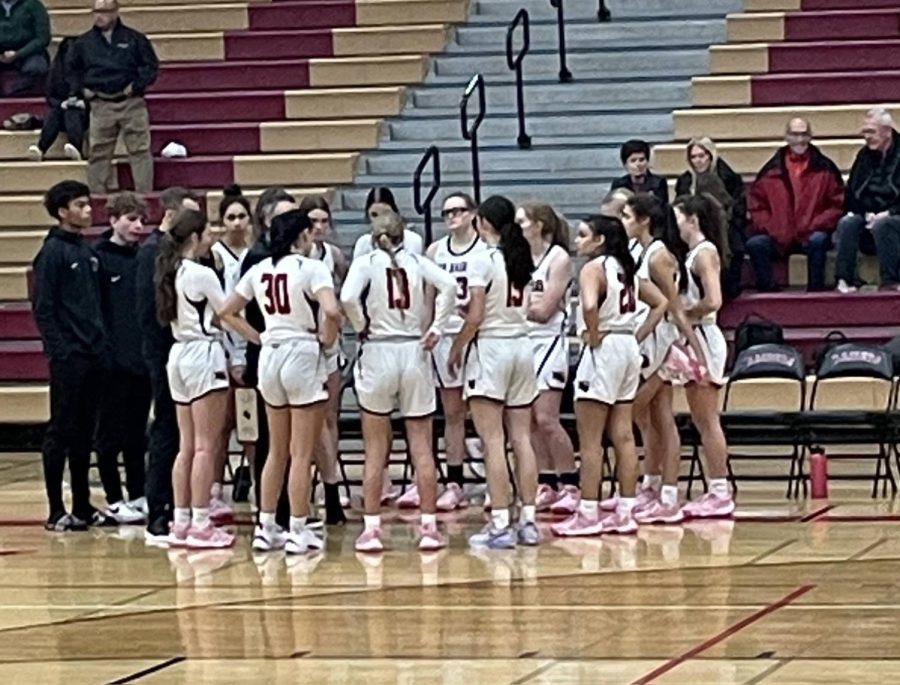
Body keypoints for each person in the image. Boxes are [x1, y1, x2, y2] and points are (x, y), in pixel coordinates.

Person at [222, 209, 341, 554]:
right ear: (301, 236)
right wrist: (327, 339)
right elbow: (332, 311)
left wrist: (257, 337)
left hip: (271, 355)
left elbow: (226, 312)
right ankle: (299, 530)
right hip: (302, 352)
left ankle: (266, 526)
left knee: (275, 448)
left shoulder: (259, 269)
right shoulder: (312, 268)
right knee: (301, 453)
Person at [341, 211, 457, 553]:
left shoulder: (365, 262)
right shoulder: (418, 261)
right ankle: (429, 527)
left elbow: (347, 297)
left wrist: (361, 323)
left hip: (378, 350)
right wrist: (437, 327)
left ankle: (372, 529)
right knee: (422, 446)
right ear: (403, 236)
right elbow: (449, 286)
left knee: (376, 448)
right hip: (413, 350)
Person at [550, 215, 667, 537]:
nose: (577, 240)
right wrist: (637, 334)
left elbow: (589, 303)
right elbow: (661, 303)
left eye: (583, 235)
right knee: (624, 435)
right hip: (628, 346)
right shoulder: (626, 267)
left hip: (604, 350)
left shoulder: (594, 268)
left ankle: (588, 512)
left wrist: (593, 331)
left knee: (590, 441)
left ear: (599, 240)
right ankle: (626, 511)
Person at [154, 208, 259, 549]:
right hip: (203, 355)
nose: (212, 238)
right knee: (205, 445)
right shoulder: (201, 274)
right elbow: (228, 314)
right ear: (195, 237)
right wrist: (261, 338)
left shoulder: (169, 269)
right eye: (208, 233)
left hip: (178, 354)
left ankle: (181, 520)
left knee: (186, 445)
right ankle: (201, 522)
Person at [447, 195, 540, 549]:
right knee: (522, 439)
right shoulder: (522, 257)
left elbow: (476, 316)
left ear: (483, 222)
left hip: (492, 348)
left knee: (493, 441)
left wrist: (457, 347)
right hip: (521, 345)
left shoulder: (481, 259)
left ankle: (500, 521)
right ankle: (528, 521)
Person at [620, 193, 706, 524]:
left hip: (661, 341)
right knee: (649, 419)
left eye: (628, 216)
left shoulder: (658, 256)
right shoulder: (634, 250)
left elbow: (674, 307)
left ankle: (669, 494)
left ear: (644, 220)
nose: (623, 221)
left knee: (653, 416)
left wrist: (696, 351)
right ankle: (652, 484)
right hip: (645, 340)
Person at [32, 180, 113, 530]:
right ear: (62, 211)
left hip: (95, 355)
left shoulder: (88, 252)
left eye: (88, 204)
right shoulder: (52, 253)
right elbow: (44, 308)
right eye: (80, 205)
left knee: (85, 432)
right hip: (70, 359)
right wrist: (60, 351)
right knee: (61, 431)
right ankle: (55, 509)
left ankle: (82, 503)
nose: (87, 210)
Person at [137, 186, 201, 544]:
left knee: (182, 434)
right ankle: (158, 509)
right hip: (165, 352)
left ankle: (180, 506)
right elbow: (149, 313)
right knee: (166, 429)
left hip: (179, 351)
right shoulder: (152, 254)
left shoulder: (179, 256)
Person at [671, 194, 735, 518]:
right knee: (701, 419)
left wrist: (685, 310)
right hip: (696, 335)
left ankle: (720, 490)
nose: (675, 223)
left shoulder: (704, 252)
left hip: (705, 335)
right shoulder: (695, 253)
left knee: (708, 420)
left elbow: (714, 300)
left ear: (692, 219)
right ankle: (717, 488)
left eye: (678, 216)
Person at [423, 191, 487, 512]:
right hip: (445, 336)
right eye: (446, 212)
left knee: (488, 412)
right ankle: (455, 481)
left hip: (478, 336)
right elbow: (429, 296)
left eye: (458, 210)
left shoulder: (486, 250)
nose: (452, 217)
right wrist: (427, 328)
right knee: (452, 413)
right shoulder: (435, 250)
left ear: (473, 213)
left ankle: (493, 479)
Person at [516, 202, 579, 515]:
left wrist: (517, 306)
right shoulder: (519, 257)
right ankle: (546, 482)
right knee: (527, 420)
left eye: (522, 222)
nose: (517, 228)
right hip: (523, 341)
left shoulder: (558, 258)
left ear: (539, 225)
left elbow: (543, 311)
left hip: (550, 341)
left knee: (546, 418)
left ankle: (570, 482)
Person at [241, 187, 297, 529]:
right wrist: (260, 338)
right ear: (266, 220)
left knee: (289, 443)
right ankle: (276, 513)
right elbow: (237, 312)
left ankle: (283, 513)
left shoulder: (293, 257)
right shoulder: (259, 258)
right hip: (272, 353)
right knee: (273, 443)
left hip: (286, 353)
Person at [94, 191, 152, 524]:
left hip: (140, 361)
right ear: (113, 219)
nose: (138, 226)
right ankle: (114, 498)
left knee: (136, 433)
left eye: (141, 219)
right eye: (131, 219)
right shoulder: (98, 259)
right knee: (109, 435)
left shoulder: (142, 259)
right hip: (112, 362)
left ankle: (138, 493)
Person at [68, 0, 159, 193]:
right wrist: (81, 91)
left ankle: (145, 195)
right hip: (100, 104)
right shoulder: (83, 43)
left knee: (140, 151)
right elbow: (71, 70)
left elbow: (150, 67)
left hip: (131, 102)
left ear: (116, 12)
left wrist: (136, 86)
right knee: (98, 153)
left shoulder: (135, 38)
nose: (99, 16)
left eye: (105, 11)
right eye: (96, 11)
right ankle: (97, 197)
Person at [747, 118, 845, 292]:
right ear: (786, 137)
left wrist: (816, 224)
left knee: (819, 241)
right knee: (756, 244)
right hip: (779, 235)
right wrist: (773, 227)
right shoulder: (770, 170)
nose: (799, 140)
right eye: (794, 134)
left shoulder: (826, 168)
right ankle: (769, 293)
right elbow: (756, 206)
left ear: (810, 136)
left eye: (803, 134)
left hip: (812, 232)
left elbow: (837, 204)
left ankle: (815, 293)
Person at [299, 194, 348, 525]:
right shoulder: (293, 259)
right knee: (307, 426)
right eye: (312, 222)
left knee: (328, 420)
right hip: (301, 346)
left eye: (323, 221)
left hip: (328, 347)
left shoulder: (334, 256)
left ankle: (329, 489)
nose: (318, 228)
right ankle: (310, 489)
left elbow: (343, 300)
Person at [208, 185, 254, 521]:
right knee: (221, 424)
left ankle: (251, 478)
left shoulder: (257, 253)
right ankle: (213, 488)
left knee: (250, 423)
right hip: (222, 344)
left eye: (241, 216)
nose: (237, 223)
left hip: (250, 343)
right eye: (231, 217)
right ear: (222, 222)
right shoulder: (216, 255)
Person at [834, 108, 900, 292]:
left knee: (884, 224)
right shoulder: (863, 156)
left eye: (871, 132)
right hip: (868, 214)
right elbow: (853, 192)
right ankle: (844, 279)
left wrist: (889, 212)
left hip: (894, 216)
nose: (867, 137)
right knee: (848, 223)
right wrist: (865, 213)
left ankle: (891, 280)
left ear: (887, 131)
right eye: (865, 132)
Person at [675, 137, 746, 300]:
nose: (698, 161)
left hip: (725, 225)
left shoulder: (728, 177)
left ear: (710, 156)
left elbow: (737, 208)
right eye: (694, 157)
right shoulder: (685, 181)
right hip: (692, 227)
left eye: (702, 156)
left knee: (735, 245)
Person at [27, 37, 85, 162]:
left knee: (72, 114)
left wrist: (83, 103)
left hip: (84, 112)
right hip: (62, 109)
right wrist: (62, 103)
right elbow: (51, 96)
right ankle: (41, 148)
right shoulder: (56, 73)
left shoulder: (90, 71)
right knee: (54, 114)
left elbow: (98, 93)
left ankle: (76, 147)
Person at [352, 186, 424, 259]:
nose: (381, 220)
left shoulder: (413, 240)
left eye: (386, 213)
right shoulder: (363, 243)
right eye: (374, 215)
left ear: (395, 214)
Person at [0, 0, 49, 96]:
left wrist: (18, 54)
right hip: (1, 52)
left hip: (29, 52)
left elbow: (42, 38)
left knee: (36, 68)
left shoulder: (34, 5)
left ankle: (13, 90)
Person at [609, 140, 668, 208]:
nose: (638, 164)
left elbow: (662, 210)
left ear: (647, 161)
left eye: (642, 160)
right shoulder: (619, 184)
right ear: (625, 164)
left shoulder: (658, 183)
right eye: (633, 161)